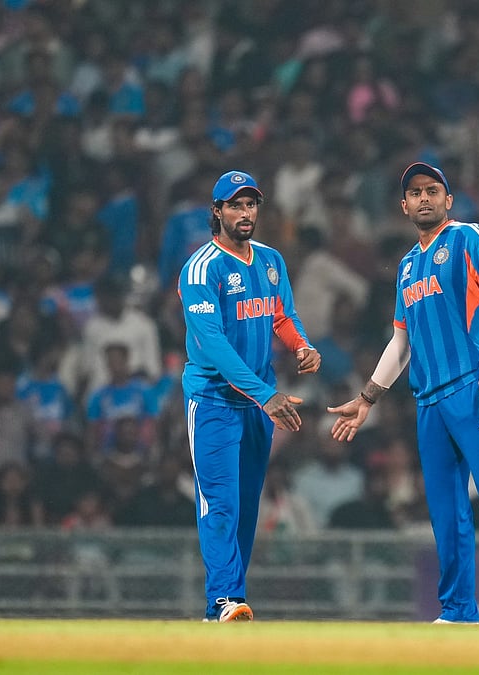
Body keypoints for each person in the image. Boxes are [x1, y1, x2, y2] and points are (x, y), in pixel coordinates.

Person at [327, 163, 479, 625]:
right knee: (446, 515)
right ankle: (457, 610)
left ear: (448, 200)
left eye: (433, 190)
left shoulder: (470, 237)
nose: (424, 198)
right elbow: (400, 343)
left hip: (476, 384)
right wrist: (367, 398)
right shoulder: (407, 266)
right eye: (414, 193)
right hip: (428, 401)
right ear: (404, 206)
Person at [179, 170, 320, 622]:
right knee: (219, 501)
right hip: (215, 400)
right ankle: (225, 599)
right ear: (216, 212)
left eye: (251, 204)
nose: (245, 213)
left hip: (257, 403)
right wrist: (266, 394)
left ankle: (222, 604)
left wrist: (301, 345)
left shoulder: (270, 260)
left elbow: (282, 314)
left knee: (245, 505)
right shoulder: (201, 268)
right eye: (235, 205)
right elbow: (214, 344)